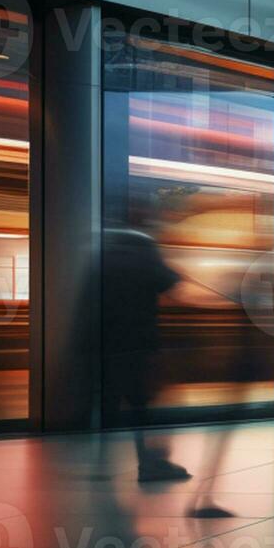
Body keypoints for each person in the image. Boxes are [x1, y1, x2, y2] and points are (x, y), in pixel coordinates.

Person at [102, 197, 190, 482]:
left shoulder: (107, 248)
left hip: (105, 342)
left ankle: (102, 464)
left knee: (111, 404)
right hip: (138, 342)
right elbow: (167, 281)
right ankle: (151, 464)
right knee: (144, 408)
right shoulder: (143, 247)